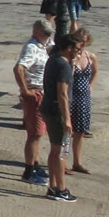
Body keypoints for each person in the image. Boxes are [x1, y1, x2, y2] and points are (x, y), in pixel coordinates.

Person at [14, 19, 51, 185]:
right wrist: (25, 90)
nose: (48, 36)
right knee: (34, 134)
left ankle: (35, 165)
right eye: (46, 33)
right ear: (36, 32)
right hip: (34, 94)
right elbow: (19, 68)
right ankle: (28, 171)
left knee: (39, 133)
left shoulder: (41, 46)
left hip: (42, 93)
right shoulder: (32, 47)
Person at [41, 33, 78, 202]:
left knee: (54, 150)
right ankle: (61, 189)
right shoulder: (63, 65)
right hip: (57, 112)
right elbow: (62, 93)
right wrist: (67, 119)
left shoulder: (53, 59)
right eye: (77, 49)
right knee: (61, 152)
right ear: (69, 48)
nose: (79, 52)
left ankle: (53, 185)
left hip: (48, 108)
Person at [68, 25, 96, 173]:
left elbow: (95, 71)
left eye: (84, 41)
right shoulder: (70, 57)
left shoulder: (90, 57)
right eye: (80, 41)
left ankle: (77, 162)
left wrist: (91, 85)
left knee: (80, 131)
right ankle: (62, 162)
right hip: (71, 96)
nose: (82, 44)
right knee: (67, 131)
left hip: (84, 97)